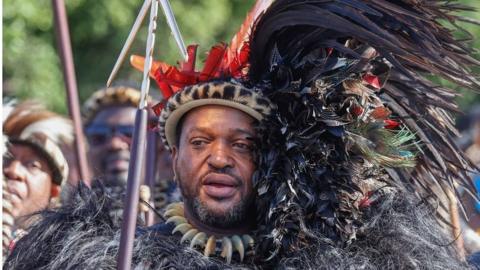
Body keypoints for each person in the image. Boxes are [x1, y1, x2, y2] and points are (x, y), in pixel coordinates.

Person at [5, 0, 478, 268]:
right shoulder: (113, 257)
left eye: (242, 144)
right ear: (175, 159)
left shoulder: (337, 260)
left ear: (273, 157)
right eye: (200, 142)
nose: (219, 157)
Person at [82, 86, 177, 218]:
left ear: (158, 145)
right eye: (99, 135)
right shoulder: (67, 220)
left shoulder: (185, 217)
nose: (115, 144)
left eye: (130, 133)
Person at [2, 101, 71, 259]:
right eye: (5, 158)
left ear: (53, 193)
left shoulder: (60, 258)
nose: (12, 171)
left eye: (32, 165)